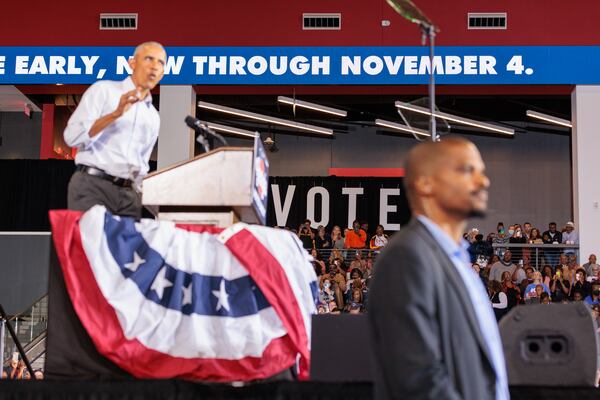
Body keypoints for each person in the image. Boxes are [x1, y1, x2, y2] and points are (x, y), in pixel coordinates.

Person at [368, 137, 508, 400]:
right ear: (425, 183)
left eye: (482, 172)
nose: (483, 181)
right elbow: (418, 380)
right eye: (468, 170)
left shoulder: (457, 260)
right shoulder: (406, 257)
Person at [64, 42, 167, 218]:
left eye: (160, 63)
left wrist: (162, 210)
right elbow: (71, 137)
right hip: (92, 187)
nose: (154, 66)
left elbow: (141, 169)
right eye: (149, 58)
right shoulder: (104, 90)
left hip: (129, 196)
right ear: (132, 63)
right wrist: (115, 114)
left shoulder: (153, 116)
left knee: (124, 246)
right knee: (89, 245)